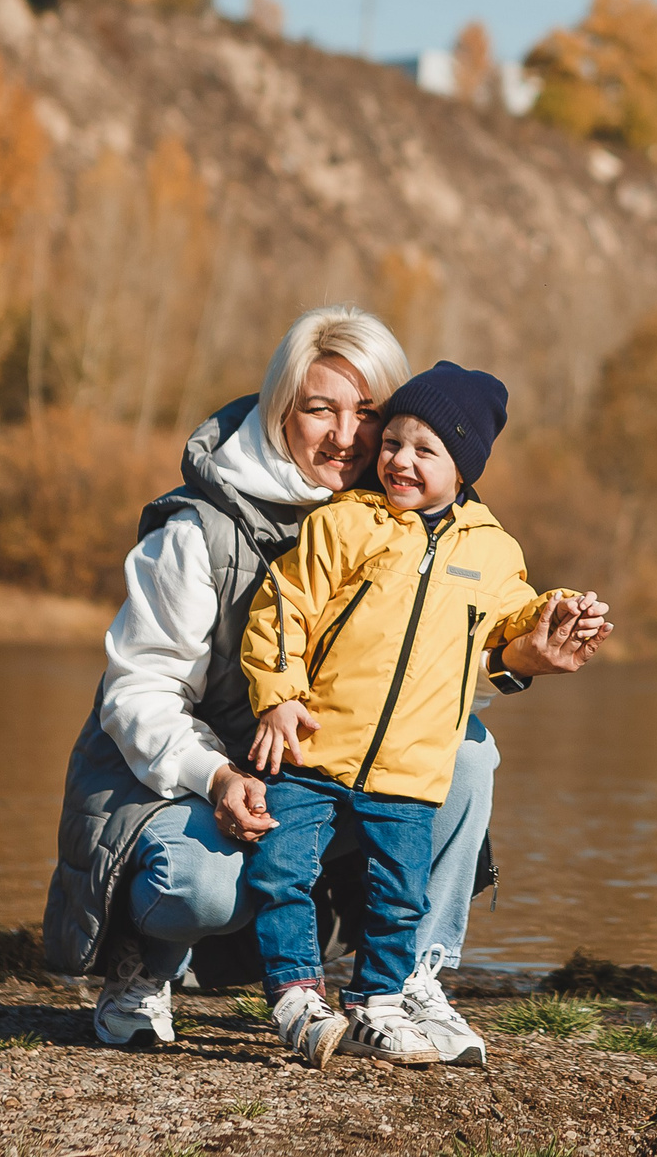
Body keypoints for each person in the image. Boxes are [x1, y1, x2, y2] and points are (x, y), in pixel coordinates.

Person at [42, 310, 610, 1049]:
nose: (349, 436)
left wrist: (515, 657)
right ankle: (141, 961)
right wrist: (216, 776)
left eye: (369, 412)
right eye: (321, 409)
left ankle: (411, 979)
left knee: (466, 750)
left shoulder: (422, 528)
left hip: (320, 770)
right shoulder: (197, 531)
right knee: (199, 885)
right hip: (189, 782)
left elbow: (411, 681)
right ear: (282, 411)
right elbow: (137, 692)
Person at [238, 361, 575, 1069]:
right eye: (392, 442)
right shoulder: (343, 524)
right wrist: (278, 697)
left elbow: (512, 615)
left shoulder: (490, 548)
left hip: (410, 770)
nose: (400, 460)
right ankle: (297, 993)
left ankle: (378, 1004)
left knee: (397, 898)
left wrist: (555, 613)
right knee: (281, 869)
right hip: (316, 749)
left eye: (427, 450)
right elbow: (281, 610)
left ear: (464, 467)